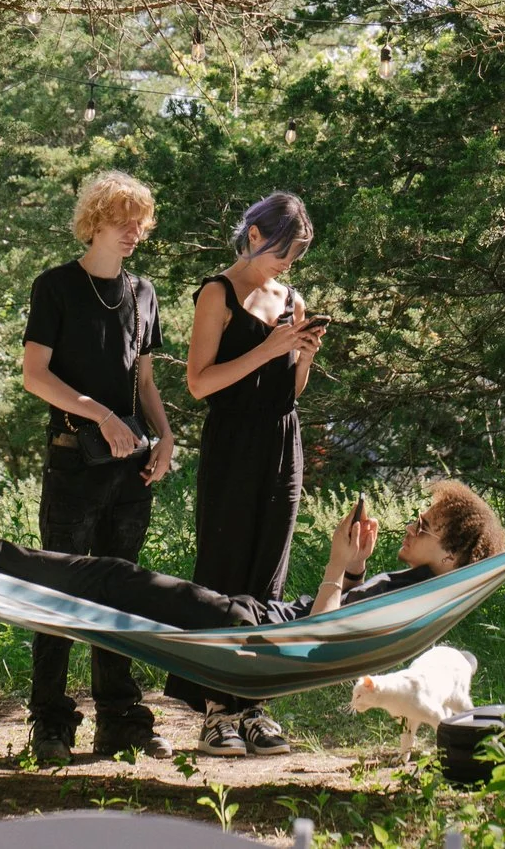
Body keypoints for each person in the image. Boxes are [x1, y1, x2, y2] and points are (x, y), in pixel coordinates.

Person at [16, 170, 176, 763]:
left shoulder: (144, 293)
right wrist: (99, 415)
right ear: (95, 222)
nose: (135, 231)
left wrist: (164, 436)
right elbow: (35, 376)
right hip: (72, 466)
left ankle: (121, 722)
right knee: (57, 593)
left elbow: (146, 380)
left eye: (141, 221)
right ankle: (51, 725)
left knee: (122, 594)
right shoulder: (55, 286)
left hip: (131, 471)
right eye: (122, 220)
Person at [0, 472, 505, 631]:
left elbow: (319, 636)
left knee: (108, 576)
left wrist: (337, 564)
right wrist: (355, 568)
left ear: (453, 555)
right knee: (108, 579)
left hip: (249, 627)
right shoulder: (417, 592)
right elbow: (337, 619)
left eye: (425, 525)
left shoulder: (417, 599)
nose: (412, 525)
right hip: (254, 617)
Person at [176, 191, 325, 756]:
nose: (288, 264)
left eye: (299, 254)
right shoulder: (217, 293)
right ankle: (217, 709)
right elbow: (199, 383)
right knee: (224, 565)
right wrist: (269, 349)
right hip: (233, 442)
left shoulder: (292, 298)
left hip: (283, 442)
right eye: (283, 250)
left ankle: (256, 703)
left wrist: (303, 353)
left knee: (269, 569)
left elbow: (290, 390)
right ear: (255, 235)